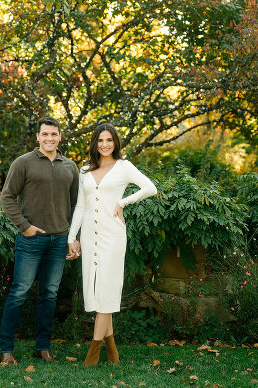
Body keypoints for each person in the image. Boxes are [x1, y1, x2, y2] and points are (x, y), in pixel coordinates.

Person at [67, 123, 157, 366]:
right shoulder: (84, 170)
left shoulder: (124, 167)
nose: (105, 144)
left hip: (113, 235)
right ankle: (112, 350)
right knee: (96, 291)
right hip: (89, 236)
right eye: (100, 140)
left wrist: (124, 202)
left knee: (106, 290)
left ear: (115, 142)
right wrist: (71, 237)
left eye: (109, 140)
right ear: (94, 143)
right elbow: (80, 207)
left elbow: (150, 187)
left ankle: (93, 352)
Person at [0, 116, 80, 365]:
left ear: (60, 137)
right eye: (45, 134)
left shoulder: (70, 166)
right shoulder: (23, 163)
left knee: (50, 295)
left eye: (54, 134)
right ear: (38, 137)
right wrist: (25, 227)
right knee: (19, 293)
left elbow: (77, 205)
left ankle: (42, 348)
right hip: (31, 240)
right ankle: (6, 350)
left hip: (59, 240)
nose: (49, 138)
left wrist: (73, 237)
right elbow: (7, 197)